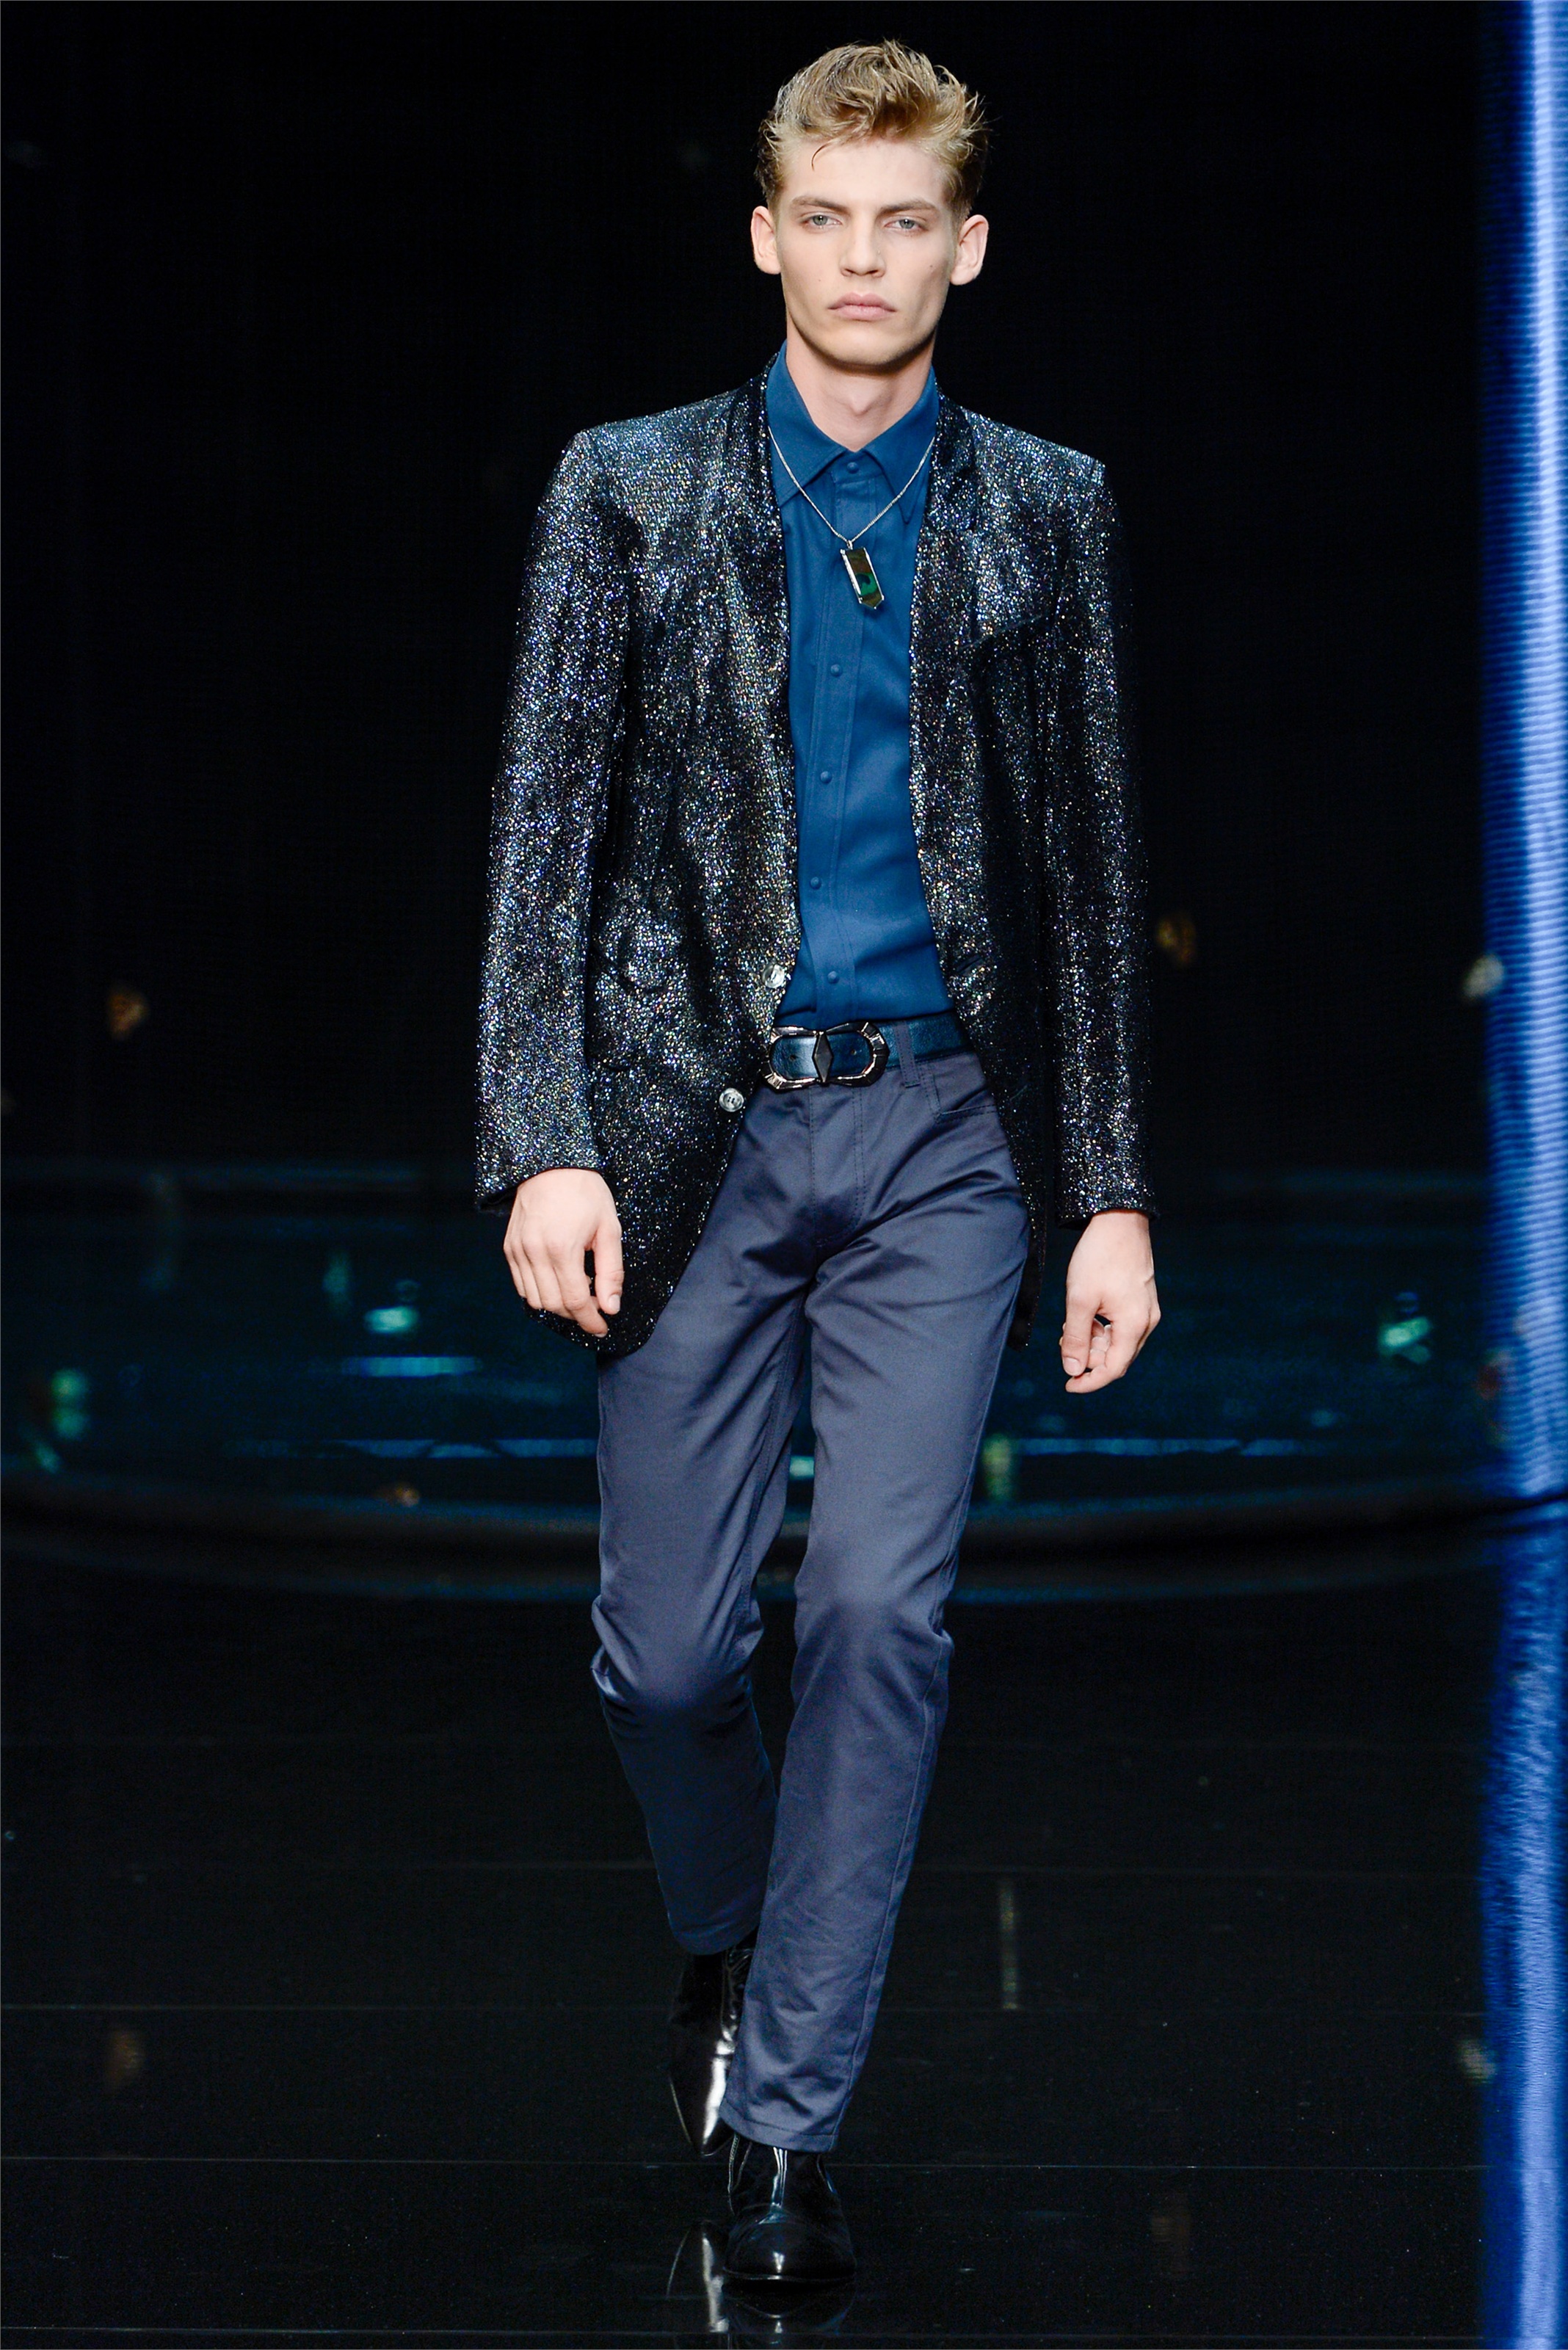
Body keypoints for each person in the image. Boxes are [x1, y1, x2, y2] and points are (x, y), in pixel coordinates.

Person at [478, 38, 1160, 2288]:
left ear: (968, 245)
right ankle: (734, 1929)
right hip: (692, 1121)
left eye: (908, 223)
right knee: (664, 1659)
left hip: (946, 1133)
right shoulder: (630, 488)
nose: (866, 261)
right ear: (769, 234)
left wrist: (1110, 1188)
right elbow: (543, 840)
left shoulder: (1046, 506)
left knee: (878, 1605)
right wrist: (546, 1139)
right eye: (829, 220)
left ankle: (785, 2117)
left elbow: (1087, 868)